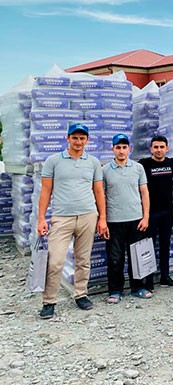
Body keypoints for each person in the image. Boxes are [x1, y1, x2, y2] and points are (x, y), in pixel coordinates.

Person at [37, 123, 107, 319]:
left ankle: (81, 294)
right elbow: (45, 190)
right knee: (55, 261)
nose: (78, 141)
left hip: (88, 216)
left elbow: (98, 191)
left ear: (87, 140)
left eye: (82, 138)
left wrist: (102, 218)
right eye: (74, 137)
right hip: (62, 218)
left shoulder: (93, 162)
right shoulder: (53, 161)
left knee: (83, 260)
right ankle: (49, 301)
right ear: (67, 138)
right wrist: (41, 218)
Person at [101, 133, 151, 303]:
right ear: (112, 149)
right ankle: (115, 291)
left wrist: (145, 217)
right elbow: (101, 196)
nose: (121, 151)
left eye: (124, 147)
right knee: (115, 258)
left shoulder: (138, 168)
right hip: (114, 220)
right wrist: (102, 220)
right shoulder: (105, 170)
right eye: (118, 147)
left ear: (129, 149)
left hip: (136, 219)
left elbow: (144, 193)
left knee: (137, 256)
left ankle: (138, 287)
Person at [139, 135, 173, 289]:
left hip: (167, 212)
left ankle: (165, 277)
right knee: (148, 246)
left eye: (161, 147)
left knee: (165, 245)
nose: (158, 150)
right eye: (155, 147)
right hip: (150, 212)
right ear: (151, 148)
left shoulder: (171, 163)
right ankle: (148, 280)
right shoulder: (144, 164)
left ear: (166, 148)